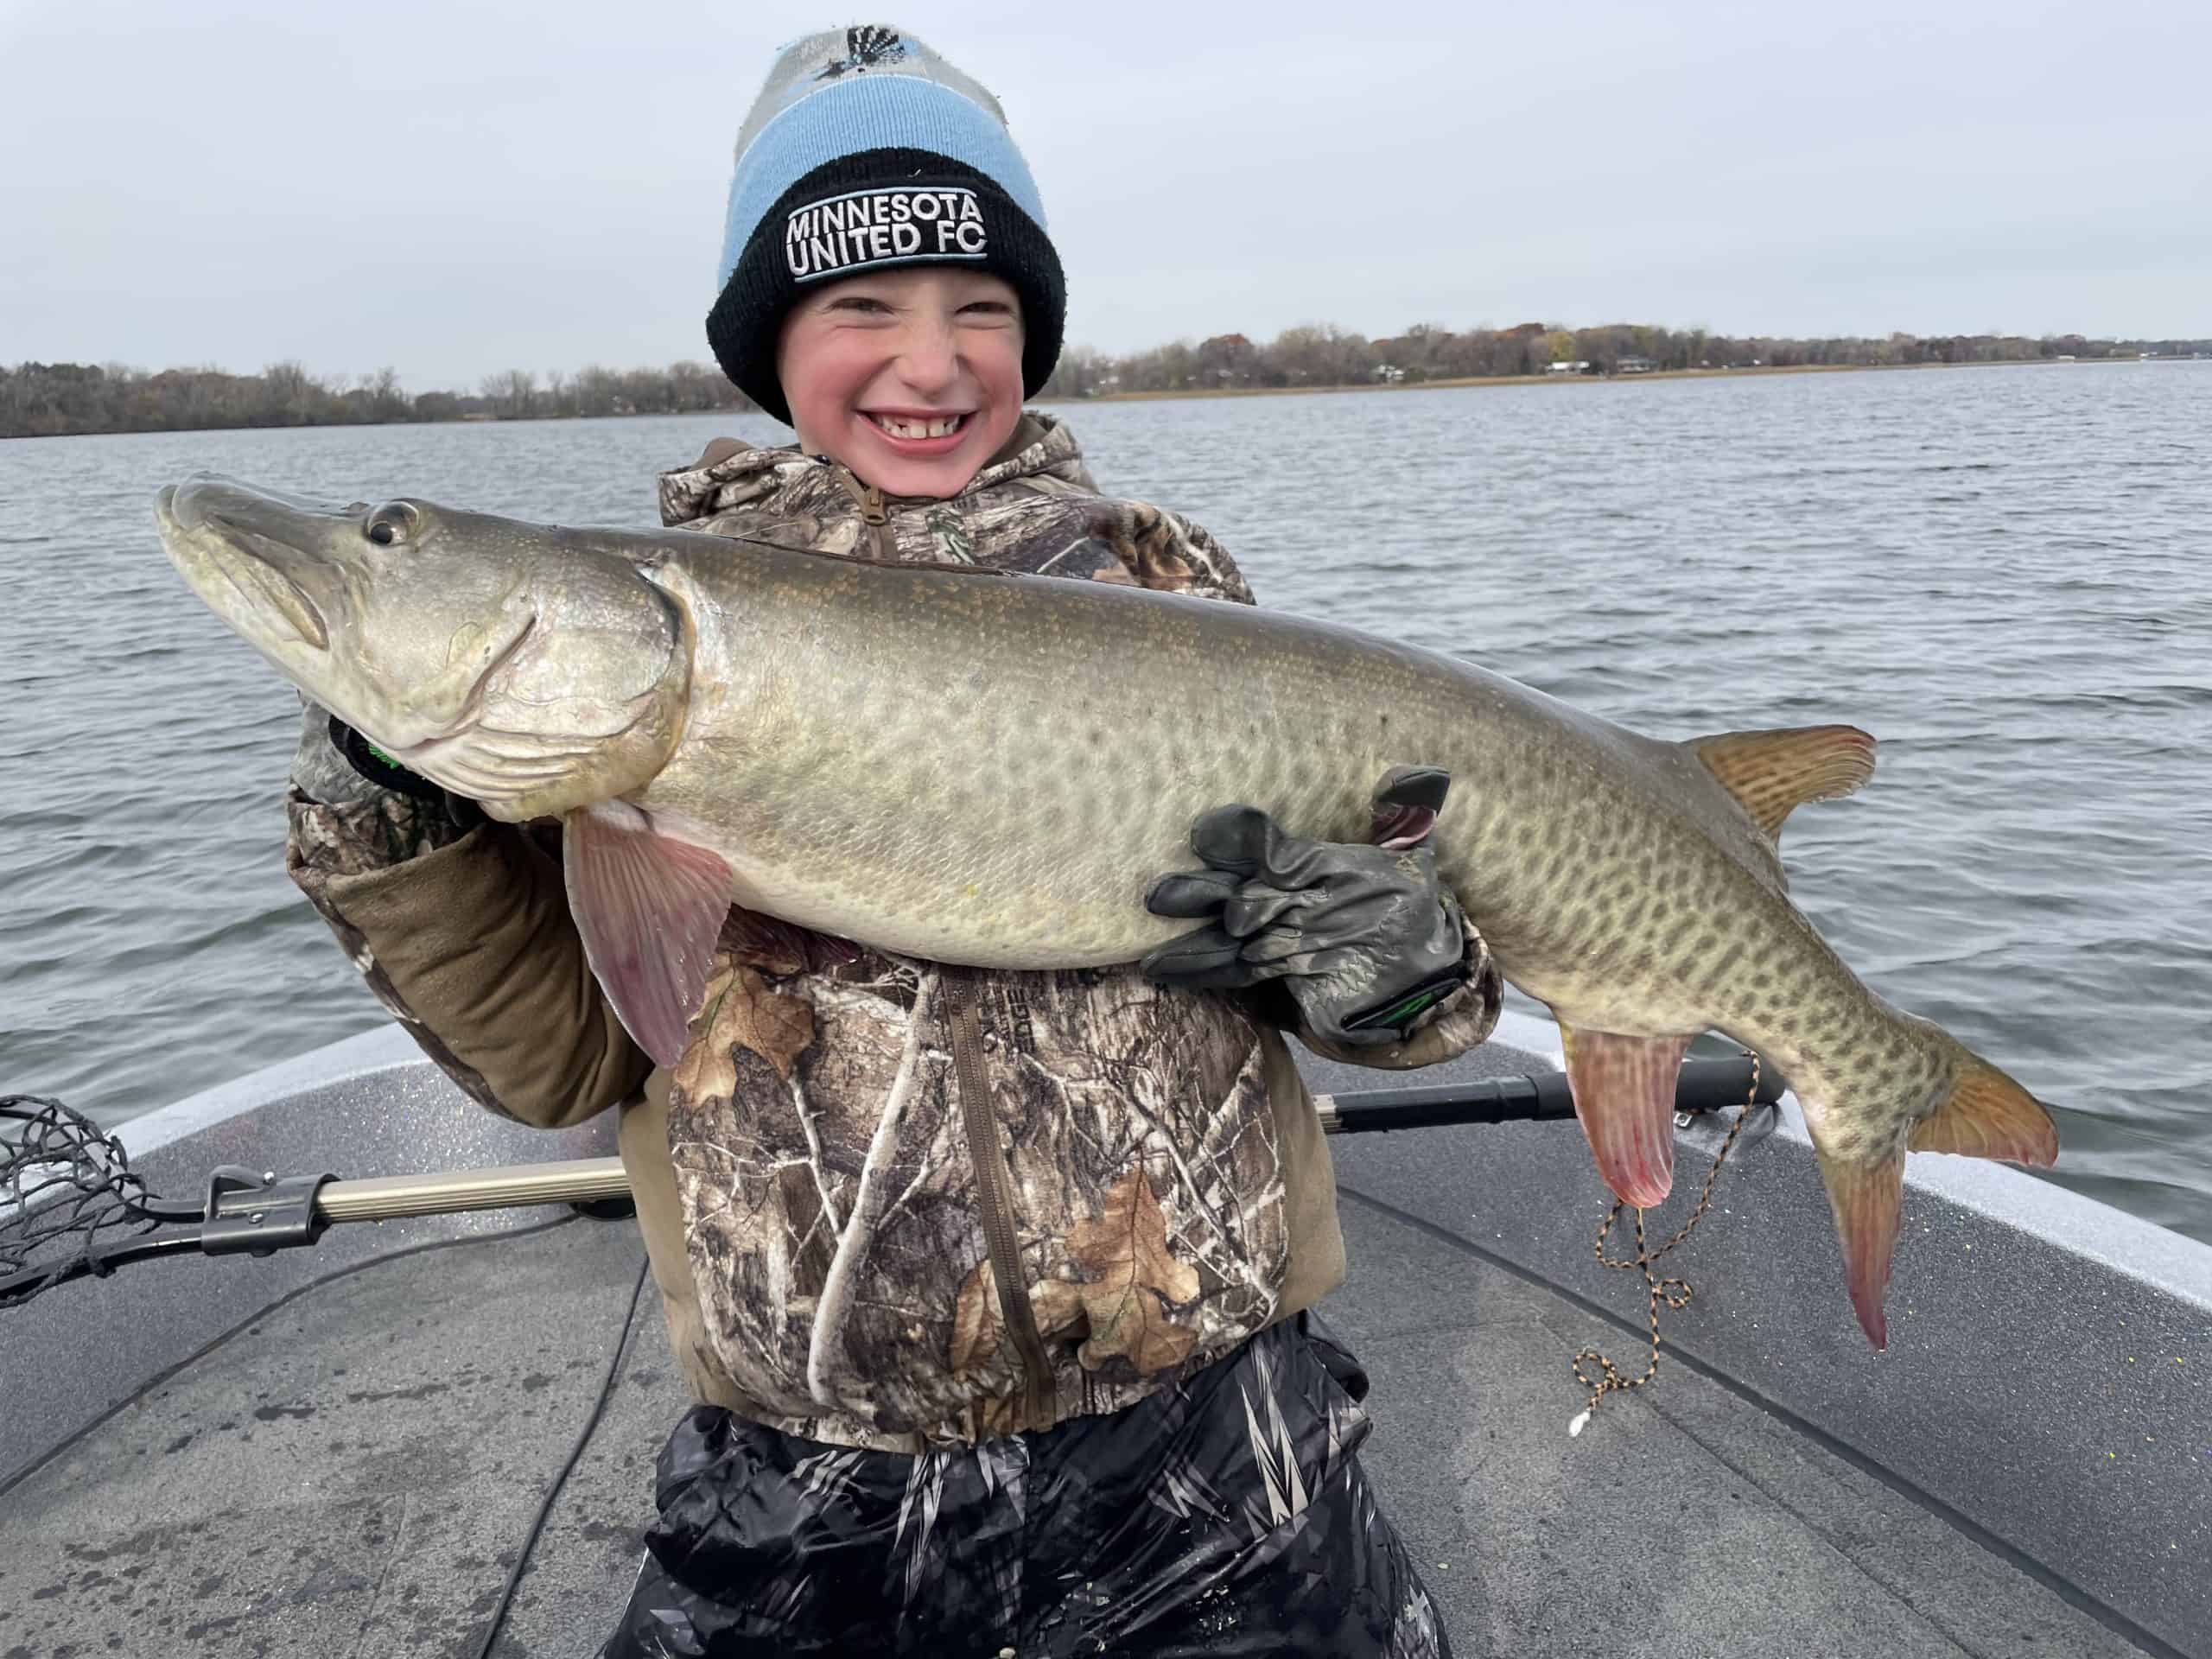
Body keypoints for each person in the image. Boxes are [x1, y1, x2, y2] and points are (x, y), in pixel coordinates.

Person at [284, 25, 1503, 1657]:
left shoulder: (1167, 593)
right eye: (861, 307)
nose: (928, 364)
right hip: (808, 1461)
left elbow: (1359, 981)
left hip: (1218, 1428)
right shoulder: (624, 663)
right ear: (767, 342)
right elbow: (561, 1065)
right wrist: (392, 789)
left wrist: (1400, 981)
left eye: (979, 310)